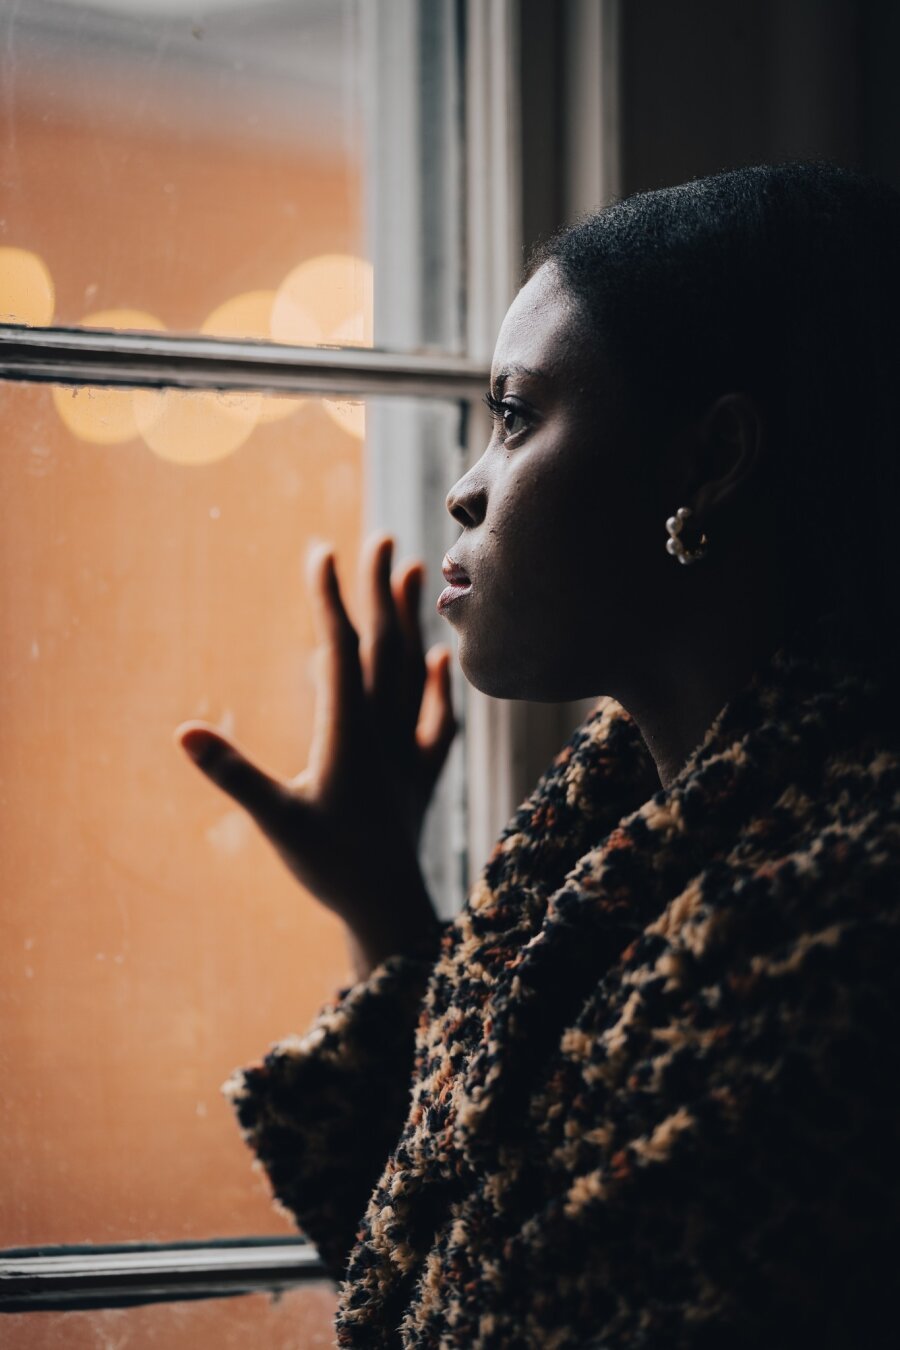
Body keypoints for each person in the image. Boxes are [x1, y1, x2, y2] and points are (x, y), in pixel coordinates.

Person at [175, 161, 900, 1348]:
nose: (465, 491)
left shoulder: (843, 929)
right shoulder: (617, 844)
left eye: (514, 417)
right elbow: (455, 1253)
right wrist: (378, 892)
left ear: (709, 459)